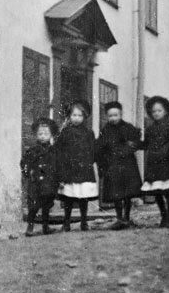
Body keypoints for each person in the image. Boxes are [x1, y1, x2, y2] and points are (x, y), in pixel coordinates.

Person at [96, 101, 142, 230]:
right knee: (116, 194)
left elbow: (136, 142)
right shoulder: (105, 130)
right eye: (110, 116)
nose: (113, 118)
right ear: (107, 116)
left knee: (127, 194)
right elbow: (100, 147)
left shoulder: (128, 127)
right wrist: (102, 165)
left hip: (127, 165)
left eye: (116, 115)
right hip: (113, 166)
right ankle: (119, 218)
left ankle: (126, 217)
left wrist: (130, 147)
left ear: (121, 114)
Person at [56, 100, 98, 232]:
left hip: (84, 170)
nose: (76, 118)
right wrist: (62, 168)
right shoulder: (65, 132)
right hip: (69, 170)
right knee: (68, 197)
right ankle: (66, 222)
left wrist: (88, 162)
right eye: (74, 115)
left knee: (83, 197)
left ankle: (84, 222)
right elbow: (59, 151)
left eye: (80, 116)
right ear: (69, 116)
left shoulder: (88, 133)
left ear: (84, 117)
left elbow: (93, 150)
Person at [141, 96, 169, 227]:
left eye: (159, 110)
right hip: (154, 165)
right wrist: (136, 143)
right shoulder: (150, 129)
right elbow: (146, 144)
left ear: (166, 111)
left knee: (168, 192)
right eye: (154, 111)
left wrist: (164, 151)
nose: (156, 113)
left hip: (167, 164)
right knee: (157, 191)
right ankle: (164, 216)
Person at [20, 118, 59, 237]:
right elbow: (24, 164)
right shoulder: (32, 150)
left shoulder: (53, 151)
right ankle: (30, 226)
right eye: (40, 134)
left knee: (47, 205)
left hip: (49, 182)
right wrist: (28, 172)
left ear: (51, 135)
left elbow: (57, 165)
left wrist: (58, 179)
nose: (43, 136)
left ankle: (45, 226)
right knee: (33, 206)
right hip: (35, 183)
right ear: (36, 135)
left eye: (46, 134)